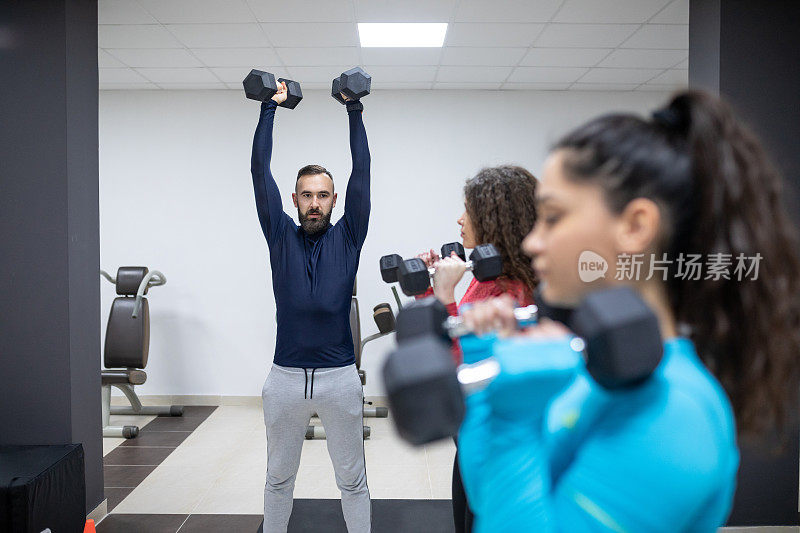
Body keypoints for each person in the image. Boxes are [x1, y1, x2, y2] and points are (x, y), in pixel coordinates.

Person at [457, 90, 800, 531]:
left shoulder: (676, 414)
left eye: (554, 217)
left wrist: (513, 421)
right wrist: (485, 358)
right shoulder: (601, 361)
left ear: (636, 226)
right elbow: (490, 496)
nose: (531, 242)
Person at [250, 81, 372, 533]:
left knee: (352, 480)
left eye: (323, 195)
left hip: (340, 378)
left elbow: (363, 170)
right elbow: (259, 172)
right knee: (278, 479)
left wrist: (353, 110)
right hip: (284, 379)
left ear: (334, 200)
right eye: (307, 194)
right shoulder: (280, 235)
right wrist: (269, 110)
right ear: (295, 199)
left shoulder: (350, 235)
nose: (314, 203)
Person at [415, 166, 539, 533]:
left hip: (495, 444)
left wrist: (444, 294)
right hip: (470, 435)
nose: (459, 218)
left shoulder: (513, 291)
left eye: (467, 210)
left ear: (493, 218)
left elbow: (465, 367)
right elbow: (451, 333)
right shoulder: (488, 278)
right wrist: (431, 289)